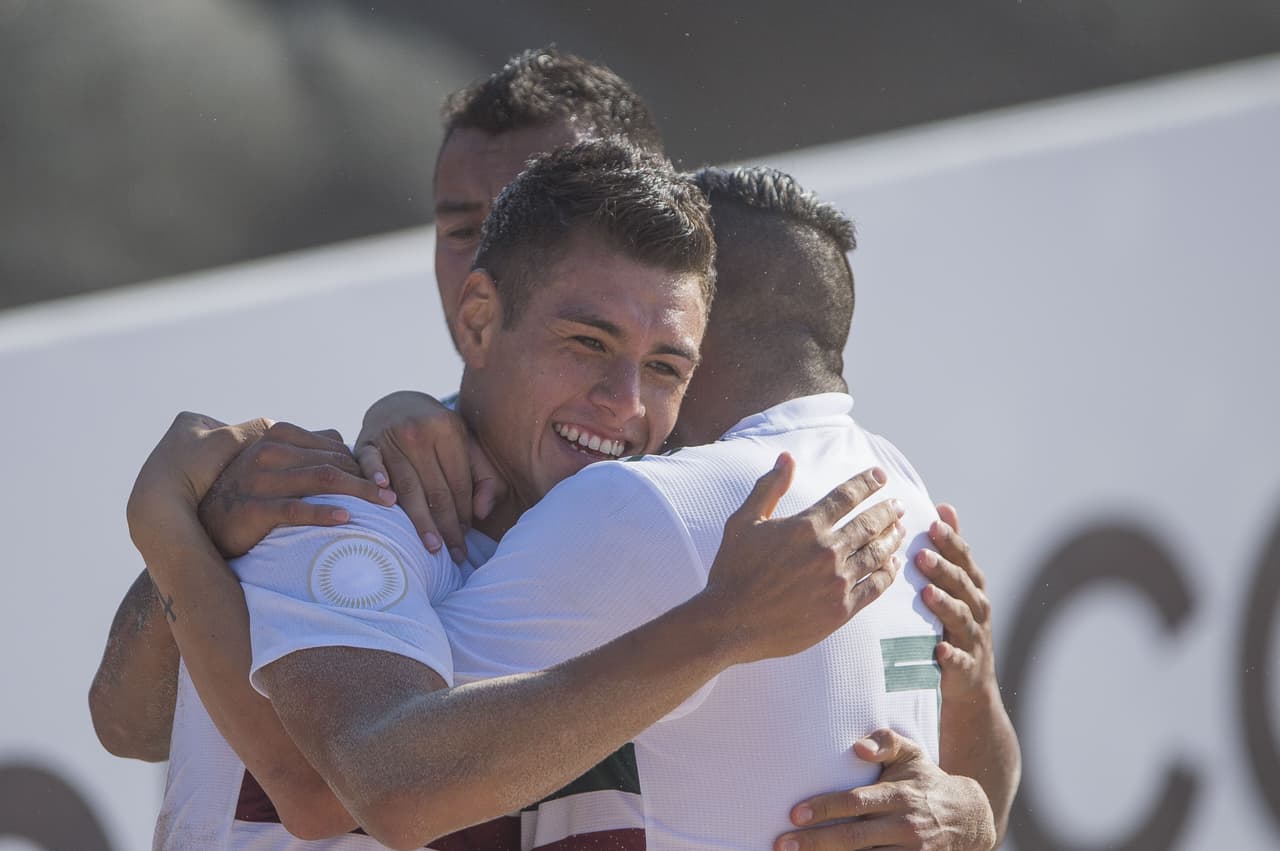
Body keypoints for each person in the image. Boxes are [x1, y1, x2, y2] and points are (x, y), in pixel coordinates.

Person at [124, 140, 944, 849]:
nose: (624, 402)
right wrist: (165, 529)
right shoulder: (337, 500)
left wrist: (967, 809)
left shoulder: (639, 518)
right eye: (587, 341)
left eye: (666, 367)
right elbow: (321, 787)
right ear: (478, 320)